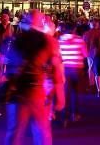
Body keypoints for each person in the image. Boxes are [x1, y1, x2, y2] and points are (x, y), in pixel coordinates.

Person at [4, 10, 64, 145]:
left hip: (16, 91)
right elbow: (56, 70)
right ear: (42, 22)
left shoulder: (16, 39)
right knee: (41, 130)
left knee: (15, 131)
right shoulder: (49, 41)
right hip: (37, 91)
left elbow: (8, 65)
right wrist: (60, 96)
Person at [58, 22, 88, 125]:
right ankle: (75, 114)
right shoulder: (80, 39)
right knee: (75, 91)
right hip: (77, 68)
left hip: (65, 68)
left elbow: (58, 55)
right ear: (74, 29)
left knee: (65, 93)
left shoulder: (60, 40)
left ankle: (64, 117)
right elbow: (85, 54)